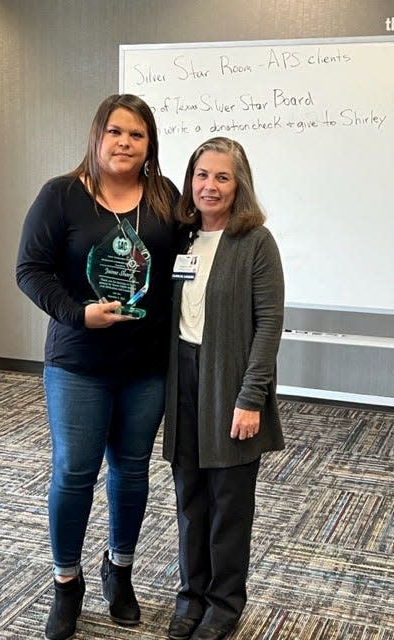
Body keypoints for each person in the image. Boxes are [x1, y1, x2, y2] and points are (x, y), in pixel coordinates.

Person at [16, 94, 179, 640]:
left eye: (136, 135)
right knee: (74, 472)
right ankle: (67, 583)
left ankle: (120, 571)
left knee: (132, 470)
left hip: (146, 366)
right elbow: (30, 269)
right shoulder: (61, 195)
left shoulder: (163, 199)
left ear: (149, 144)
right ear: (97, 136)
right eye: (115, 132)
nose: (125, 143)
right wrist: (77, 313)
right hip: (78, 363)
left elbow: (194, 260)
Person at [163, 137, 285, 640]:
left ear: (240, 186)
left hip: (230, 383)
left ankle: (224, 603)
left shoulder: (256, 242)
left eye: (222, 177)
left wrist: (251, 397)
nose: (208, 186)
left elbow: (269, 324)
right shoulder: (182, 239)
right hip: (183, 380)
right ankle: (191, 594)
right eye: (201, 175)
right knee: (190, 497)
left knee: (229, 503)